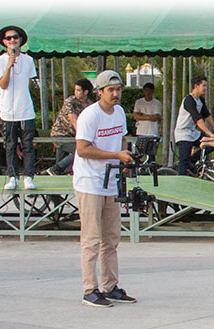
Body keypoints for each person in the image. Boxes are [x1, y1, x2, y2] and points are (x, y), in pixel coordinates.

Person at [72, 70, 136, 308]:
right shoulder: (90, 115)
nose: (116, 94)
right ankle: (90, 289)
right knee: (92, 238)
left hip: (111, 181)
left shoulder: (119, 112)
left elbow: (121, 140)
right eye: (111, 90)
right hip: (90, 181)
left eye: (118, 89)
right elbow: (83, 149)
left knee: (111, 237)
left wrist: (123, 160)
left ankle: (110, 286)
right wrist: (114, 155)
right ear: (99, 92)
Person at [0, 25, 37, 190]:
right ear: (4, 42)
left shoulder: (28, 60)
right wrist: (9, 65)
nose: (13, 40)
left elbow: (29, 84)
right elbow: (3, 85)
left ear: (20, 40)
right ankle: (12, 177)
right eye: (9, 38)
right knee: (10, 145)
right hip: (7, 112)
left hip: (25, 110)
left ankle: (29, 177)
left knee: (27, 145)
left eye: (15, 37)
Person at [46, 78, 94, 176]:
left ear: (86, 92)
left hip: (72, 136)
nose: (75, 92)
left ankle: (55, 174)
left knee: (61, 164)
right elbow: (73, 120)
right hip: (60, 134)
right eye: (75, 90)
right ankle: (55, 169)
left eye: (78, 90)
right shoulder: (70, 101)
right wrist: (83, 136)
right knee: (80, 150)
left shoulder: (90, 105)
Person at [174, 75, 214, 175]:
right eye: (203, 86)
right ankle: (180, 180)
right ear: (196, 86)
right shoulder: (189, 100)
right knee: (183, 162)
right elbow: (197, 119)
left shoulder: (200, 101)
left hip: (193, 132)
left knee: (213, 143)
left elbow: (207, 116)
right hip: (183, 134)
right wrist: (209, 133)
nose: (205, 88)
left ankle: (192, 161)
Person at [133, 82, 162, 163]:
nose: (148, 93)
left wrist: (143, 115)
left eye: (150, 91)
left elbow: (156, 117)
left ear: (153, 91)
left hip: (153, 132)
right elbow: (135, 116)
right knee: (139, 154)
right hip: (141, 132)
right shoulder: (139, 102)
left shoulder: (157, 103)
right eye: (146, 90)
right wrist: (149, 116)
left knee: (151, 155)